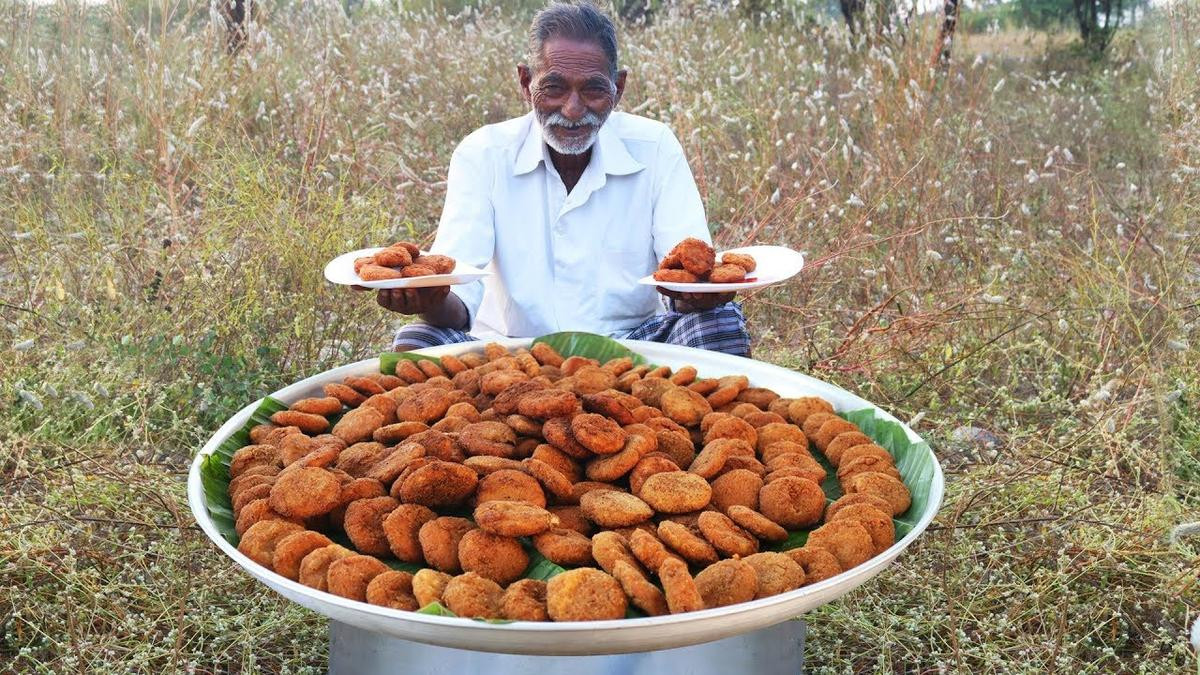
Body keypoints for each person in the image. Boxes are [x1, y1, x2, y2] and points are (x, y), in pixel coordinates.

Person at [373, 0, 750, 357]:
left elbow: (684, 277)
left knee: (720, 325)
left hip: (634, 346)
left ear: (617, 88)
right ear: (526, 83)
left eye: (593, 89)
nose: (572, 109)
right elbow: (459, 301)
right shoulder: (483, 155)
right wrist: (428, 300)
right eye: (554, 88)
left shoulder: (654, 148)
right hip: (508, 350)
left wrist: (703, 293)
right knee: (417, 341)